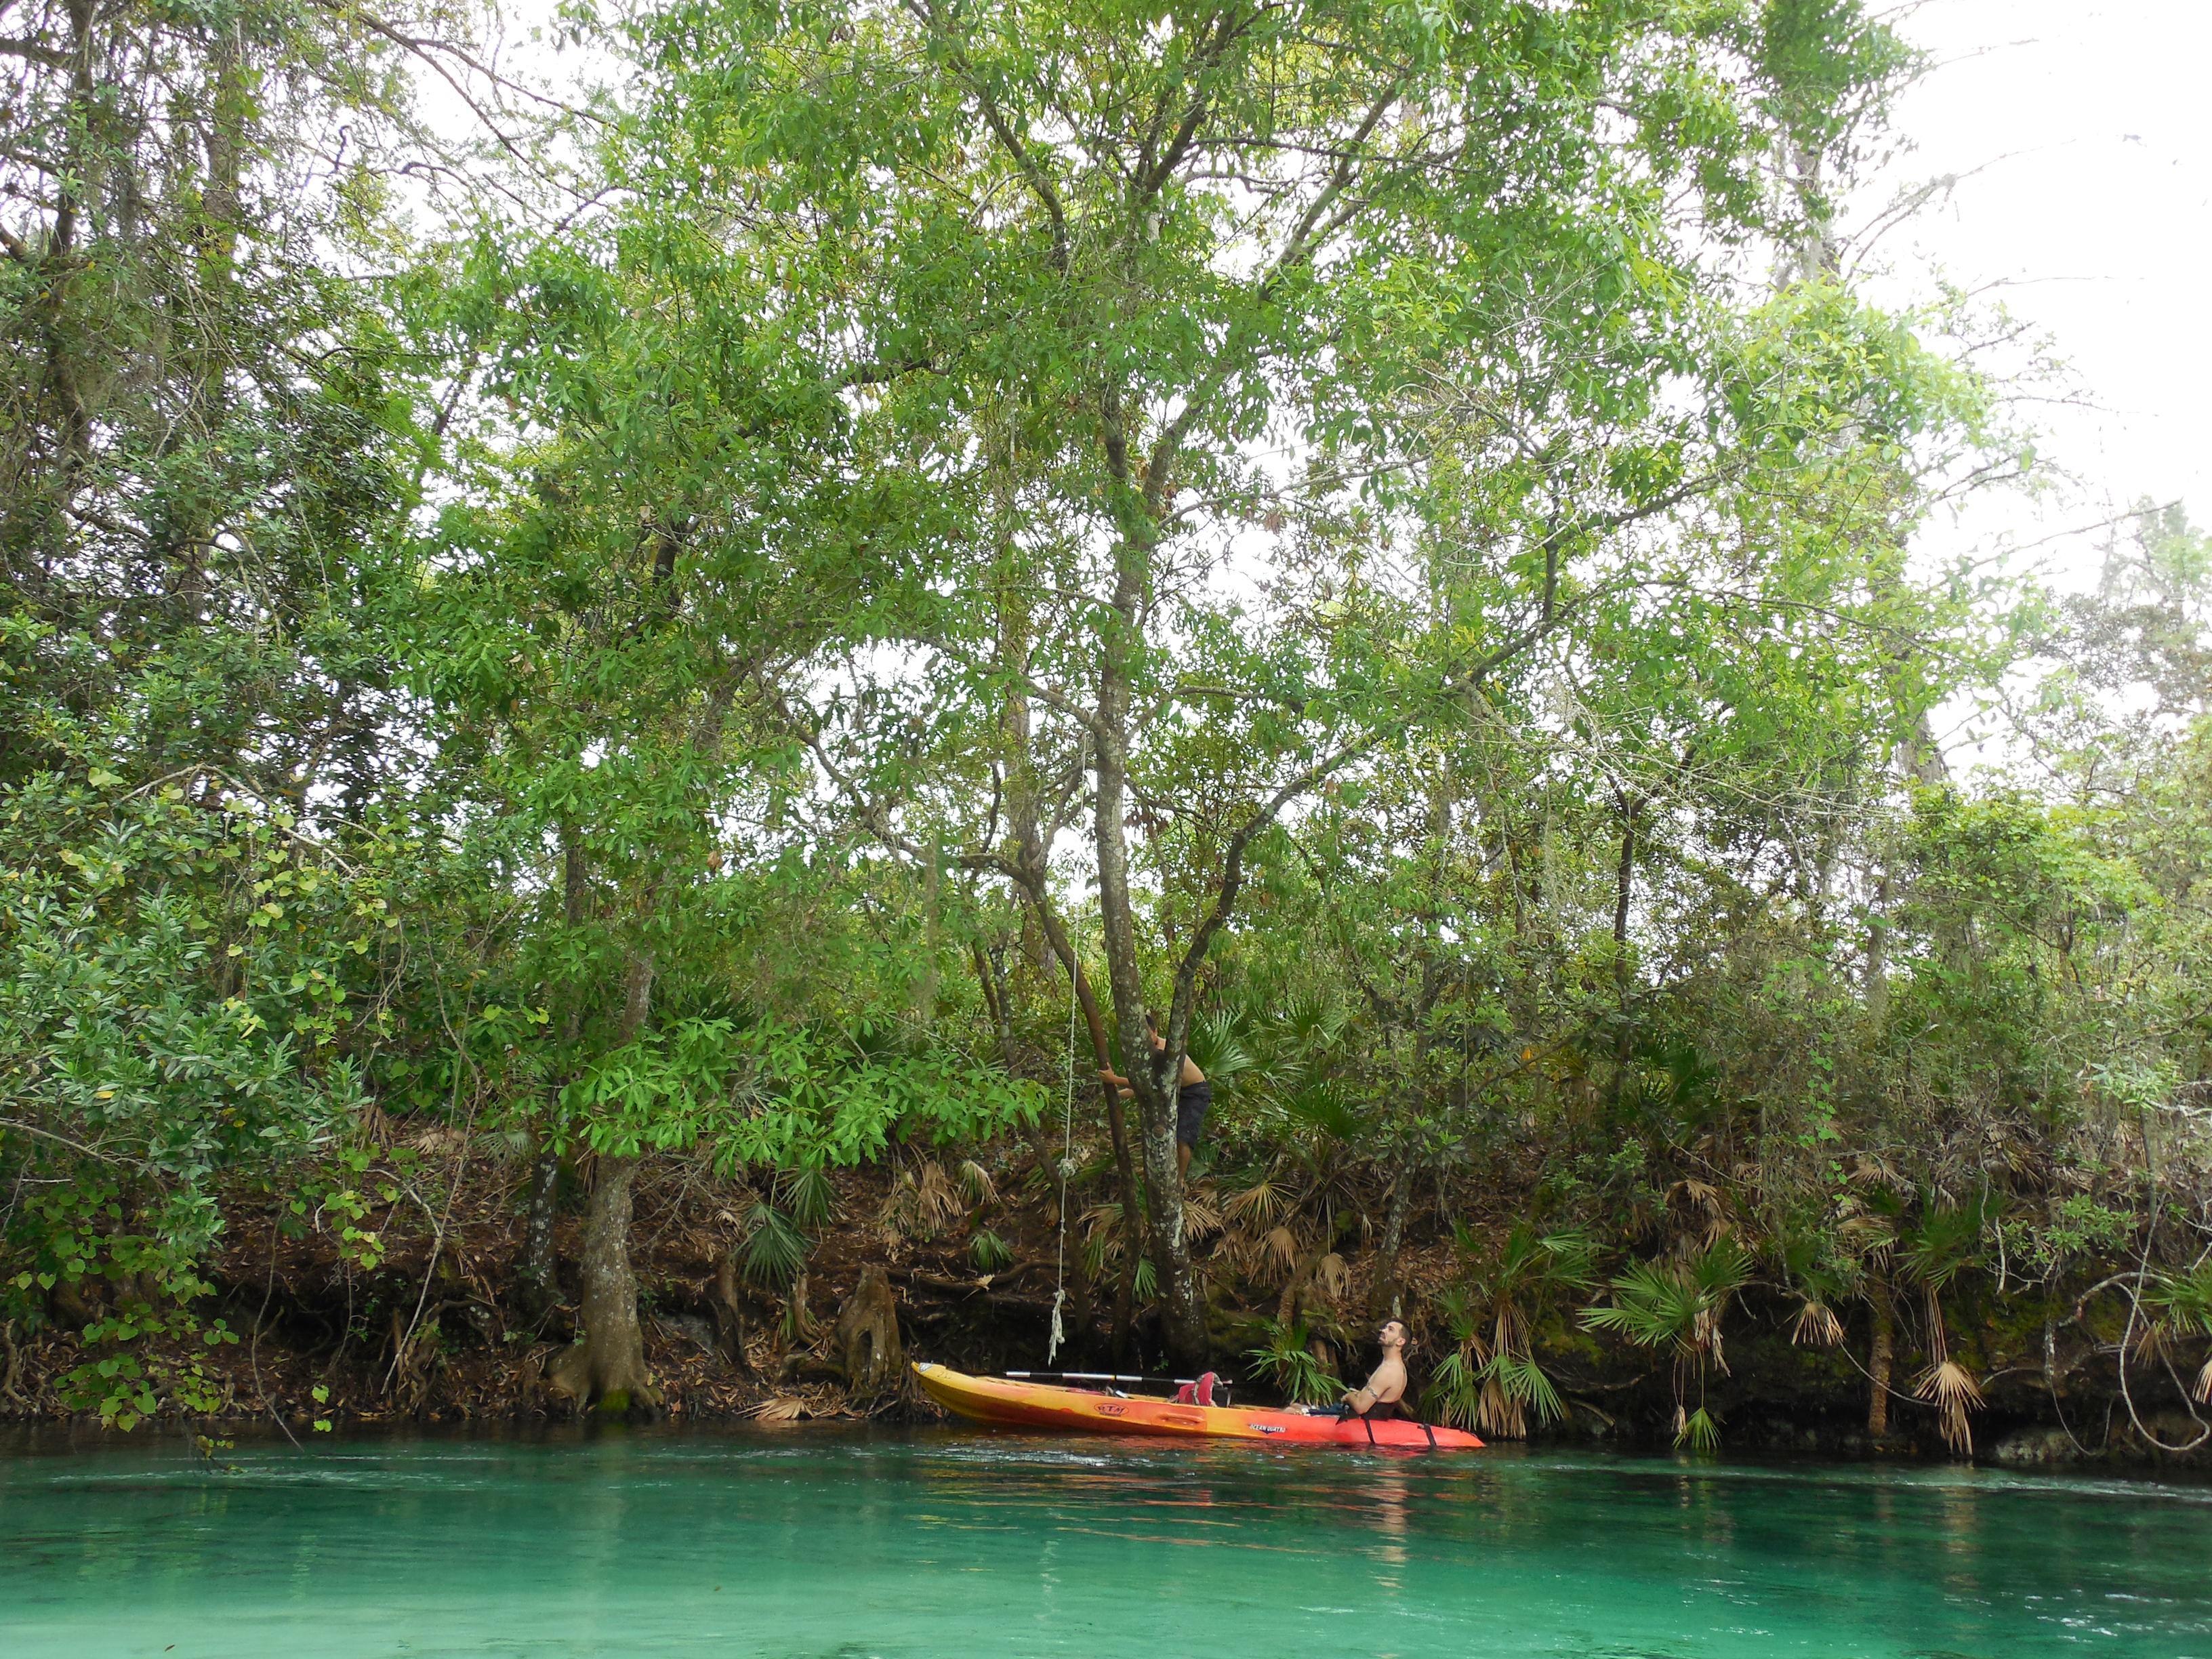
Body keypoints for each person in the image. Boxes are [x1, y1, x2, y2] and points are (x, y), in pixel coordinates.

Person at [1099, 1011, 1210, 1181]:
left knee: (1183, 1136)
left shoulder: (1163, 1051)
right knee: (1165, 1134)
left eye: (1147, 1035)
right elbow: (1145, 1088)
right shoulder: (1147, 1053)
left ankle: (1180, 1179)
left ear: (1155, 1032)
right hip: (1176, 1091)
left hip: (1196, 1091)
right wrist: (1117, 1094)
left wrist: (1114, 1079)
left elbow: (1141, 1083)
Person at [1338, 1318, 1411, 1420]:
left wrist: (1348, 1396)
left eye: (1390, 1330)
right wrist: (1359, 1394)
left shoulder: (1389, 1371)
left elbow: (1360, 1407)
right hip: (1377, 1422)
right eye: (1385, 1328)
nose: (1383, 1331)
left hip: (1368, 1425)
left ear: (1400, 1341)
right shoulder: (1398, 1366)